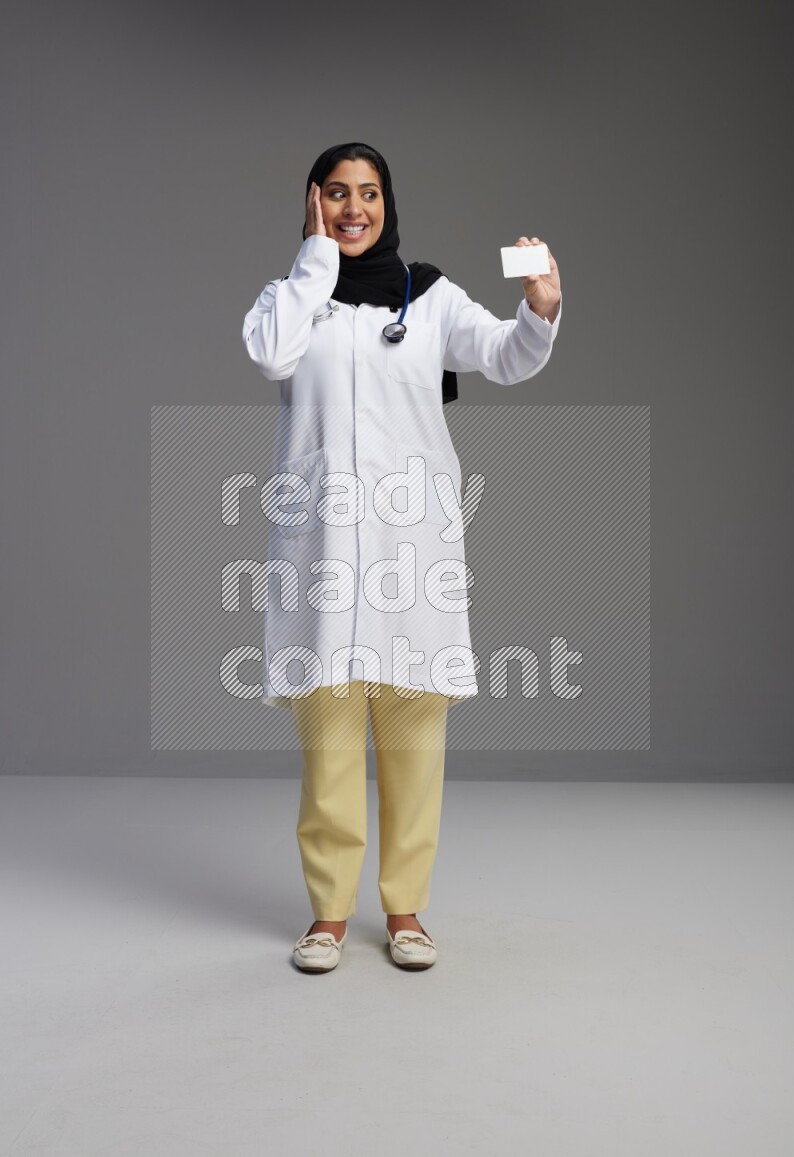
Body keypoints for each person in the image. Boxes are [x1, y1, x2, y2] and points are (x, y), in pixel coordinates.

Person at [241, 142, 562, 972]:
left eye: (369, 193)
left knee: (415, 742)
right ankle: (328, 916)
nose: (355, 208)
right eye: (336, 193)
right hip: (322, 550)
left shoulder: (430, 296)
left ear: (388, 204)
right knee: (330, 743)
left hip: (411, 551)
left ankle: (406, 909)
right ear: (312, 202)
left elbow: (506, 356)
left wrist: (540, 310)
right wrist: (316, 262)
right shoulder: (289, 299)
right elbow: (270, 355)